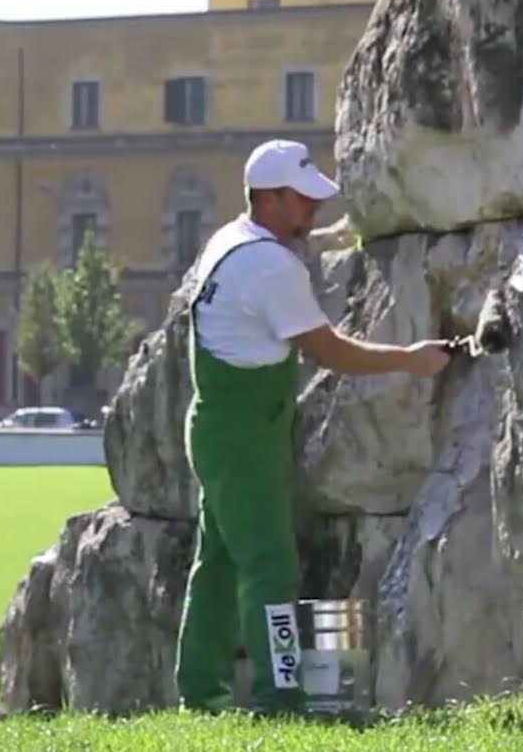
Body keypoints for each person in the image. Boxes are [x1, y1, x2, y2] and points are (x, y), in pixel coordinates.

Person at [174, 139, 451, 715]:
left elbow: (284, 265)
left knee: (219, 560)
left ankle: (200, 691)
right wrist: (409, 358)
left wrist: (331, 238)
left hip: (220, 428)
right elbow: (330, 351)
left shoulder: (232, 240)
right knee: (269, 566)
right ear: (269, 198)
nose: (314, 210)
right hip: (246, 436)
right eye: (303, 201)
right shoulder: (270, 266)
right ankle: (279, 696)